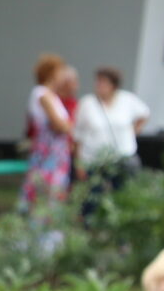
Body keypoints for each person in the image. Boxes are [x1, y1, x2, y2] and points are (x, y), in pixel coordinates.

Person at [74, 66, 151, 194]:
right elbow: (78, 134)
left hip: (122, 158)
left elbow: (145, 113)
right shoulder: (87, 103)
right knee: (93, 197)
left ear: (114, 85)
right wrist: (79, 164)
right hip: (94, 160)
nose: (99, 85)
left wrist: (134, 131)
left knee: (124, 195)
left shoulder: (127, 99)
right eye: (98, 81)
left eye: (103, 82)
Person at [22, 52, 76, 210]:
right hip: (48, 152)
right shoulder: (41, 94)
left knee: (55, 193)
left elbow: (64, 125)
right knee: (45, 191)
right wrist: (69, 125)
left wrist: (67, 125)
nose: (63, 76)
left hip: (58, 153)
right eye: (61, 71)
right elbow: (60, 125)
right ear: (52, 73)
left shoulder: (53, 96)